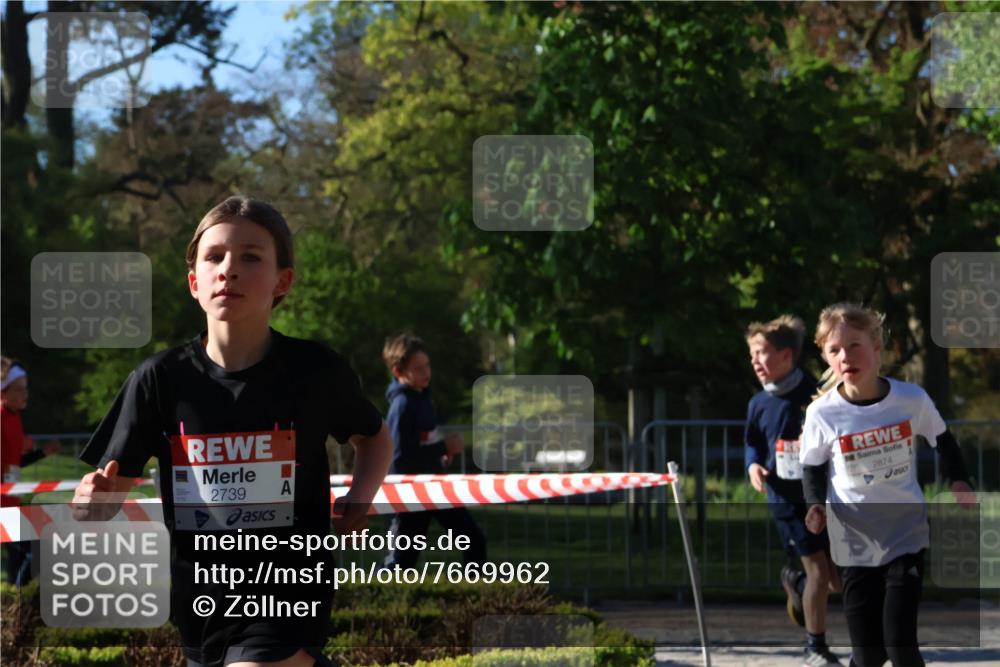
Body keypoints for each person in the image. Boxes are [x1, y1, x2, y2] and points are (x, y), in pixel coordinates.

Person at [71, 195, 393, 667]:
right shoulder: (159, 379)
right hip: (199, 608)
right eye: (214, 256)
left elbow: (376, 438)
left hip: (286, 599)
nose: (229, 269)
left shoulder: (315, 370)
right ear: (194, 283)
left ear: (283, 281)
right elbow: (107, 493)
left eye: (251, 257)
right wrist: (90, 506)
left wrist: (360, 498)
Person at [800, 303, 975, 667]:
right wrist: (815, 505)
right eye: (835, 350)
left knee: (899, 644)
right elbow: (813, 467)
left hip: (904, 535)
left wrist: (959, 480)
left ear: (877, 347)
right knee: (868, 654)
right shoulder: (823, 413)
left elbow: (944, 441)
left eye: (855, 345)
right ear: (826, 358)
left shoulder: (911, 399)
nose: (846, 356)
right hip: (853, 539)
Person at [744, 316, 842, 667]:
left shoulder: (817, 395)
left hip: (824, 496)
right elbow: (752, 443)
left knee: (837, 582)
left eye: (761, 353)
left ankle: (796, 582)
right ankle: (815, 647)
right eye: (752, 354)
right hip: (785, 501)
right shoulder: (758, 404)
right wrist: (753, 465)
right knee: (818, 569)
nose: (755, 361)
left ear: (787, 355)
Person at [380, 333, 486, 570]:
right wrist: (443, 447)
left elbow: (423, 442)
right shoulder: (402, 405)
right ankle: (372, 600)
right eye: (418, 368)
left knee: (473, 539)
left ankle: (473, 599)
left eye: (427, 365)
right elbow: (400, 457)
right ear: (398, 372)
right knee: (399, 563)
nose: (426, 372)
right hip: (408, 493)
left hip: (433, 486)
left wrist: (440, 455)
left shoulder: (422, 397)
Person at [1, 357, 61, 585]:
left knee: (23, 554)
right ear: (3, 392)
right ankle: (19, 608)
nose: (25, 394)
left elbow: (13, 463)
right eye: (18, 390)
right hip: (2, 504)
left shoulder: (15, 418)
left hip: (11, 501)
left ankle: (14, 609)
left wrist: (43, 453)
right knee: (31, 550)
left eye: (25, 389)